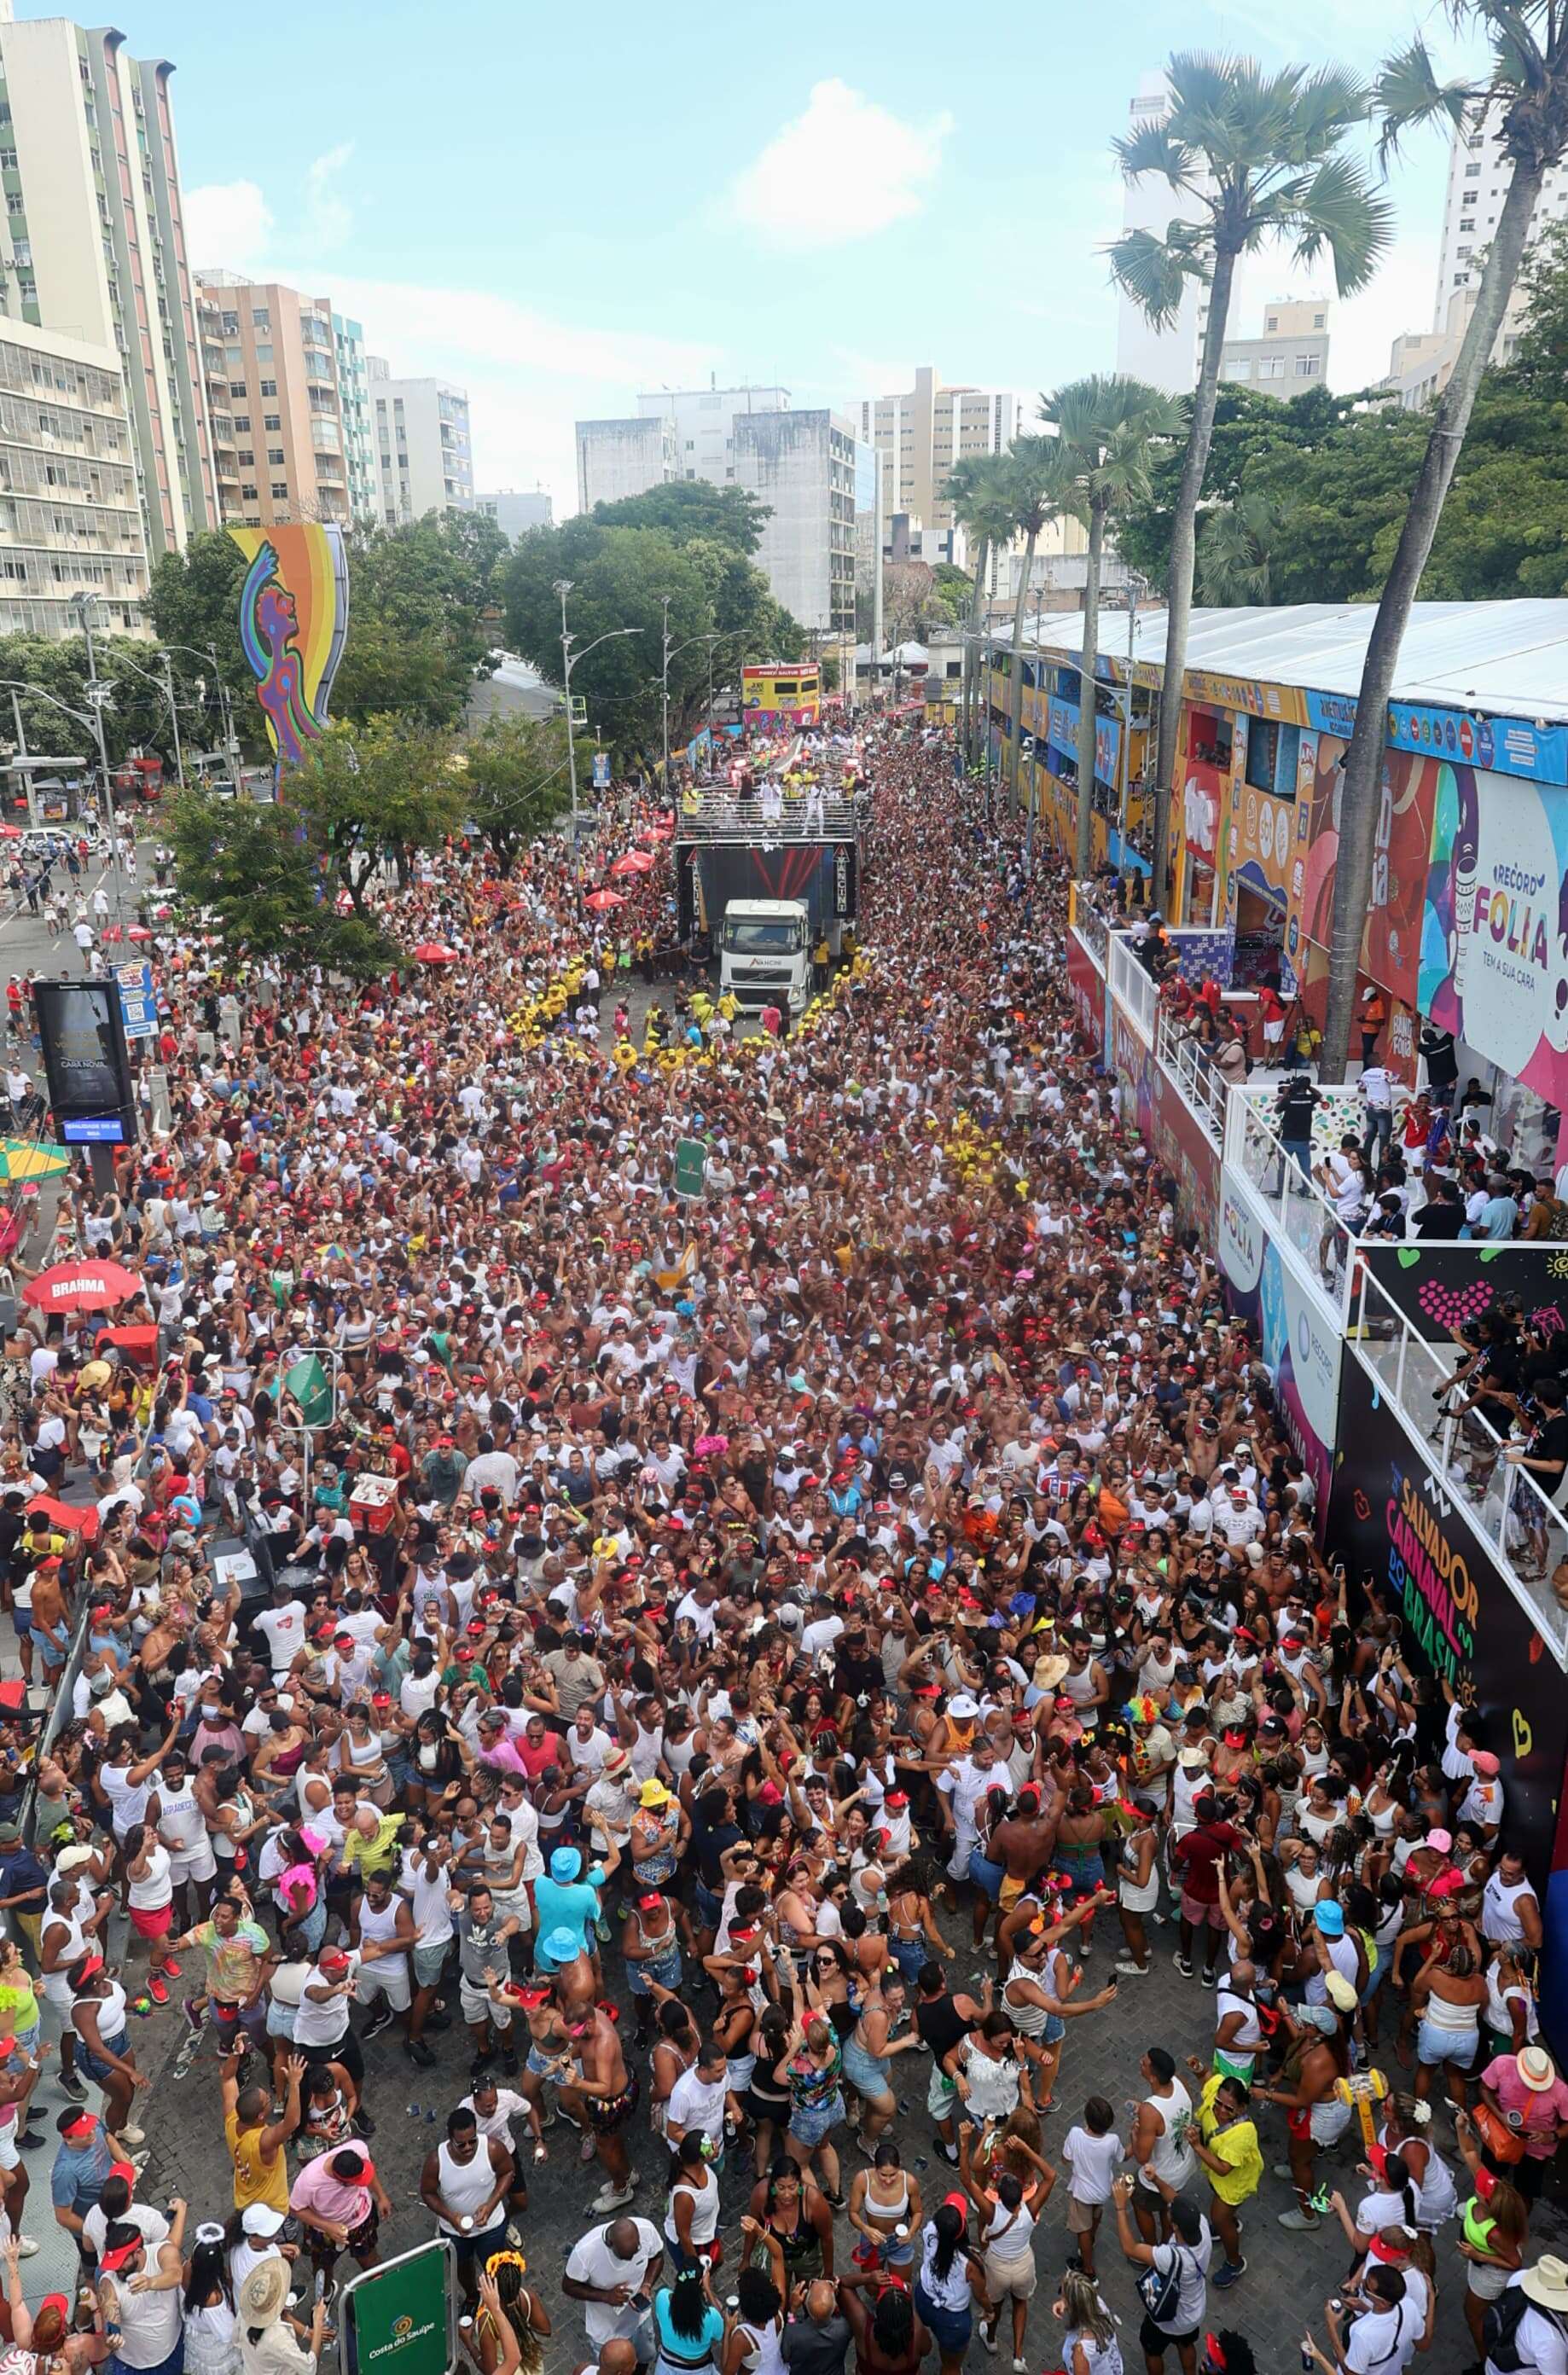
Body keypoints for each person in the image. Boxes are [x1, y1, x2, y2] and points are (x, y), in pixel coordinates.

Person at [1109, 2175, 1211, 2375]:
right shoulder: (1202, 2226)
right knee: (1186, 2344)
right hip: (1194, 2311)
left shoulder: (1172, 2257)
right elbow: (1174, 2198)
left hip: (1171, 2319)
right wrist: (1155, 2178)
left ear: (1175, 2227)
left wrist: (1121, 2207)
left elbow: (1130, 2248)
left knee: (1152, 2351)